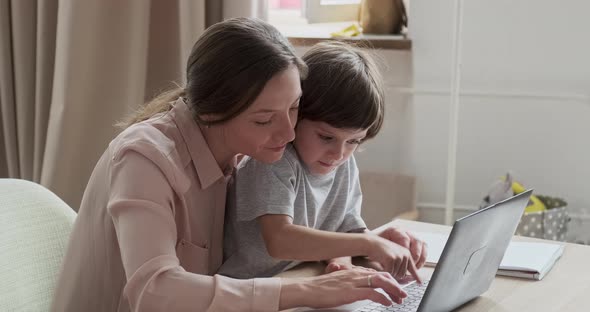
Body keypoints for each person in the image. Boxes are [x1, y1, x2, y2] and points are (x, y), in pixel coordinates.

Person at [51, 18, 411, 312]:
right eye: (264, 119)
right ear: (212, 113)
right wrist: (307, 291)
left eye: (294, 107)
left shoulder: (244, 151)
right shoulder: (144, 158)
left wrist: (365, 244)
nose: (288, 132)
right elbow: (155, 291)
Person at [219, 41, 427, 282]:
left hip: (302, 279)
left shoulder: (341, 163)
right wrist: (368, 243)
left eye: (354, 141)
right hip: (248, 289)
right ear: (296, 114)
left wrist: (343, 262)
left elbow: (341, 228)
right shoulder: (274, 161)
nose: (338, 153)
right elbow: (279, 240)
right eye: (326, 137)